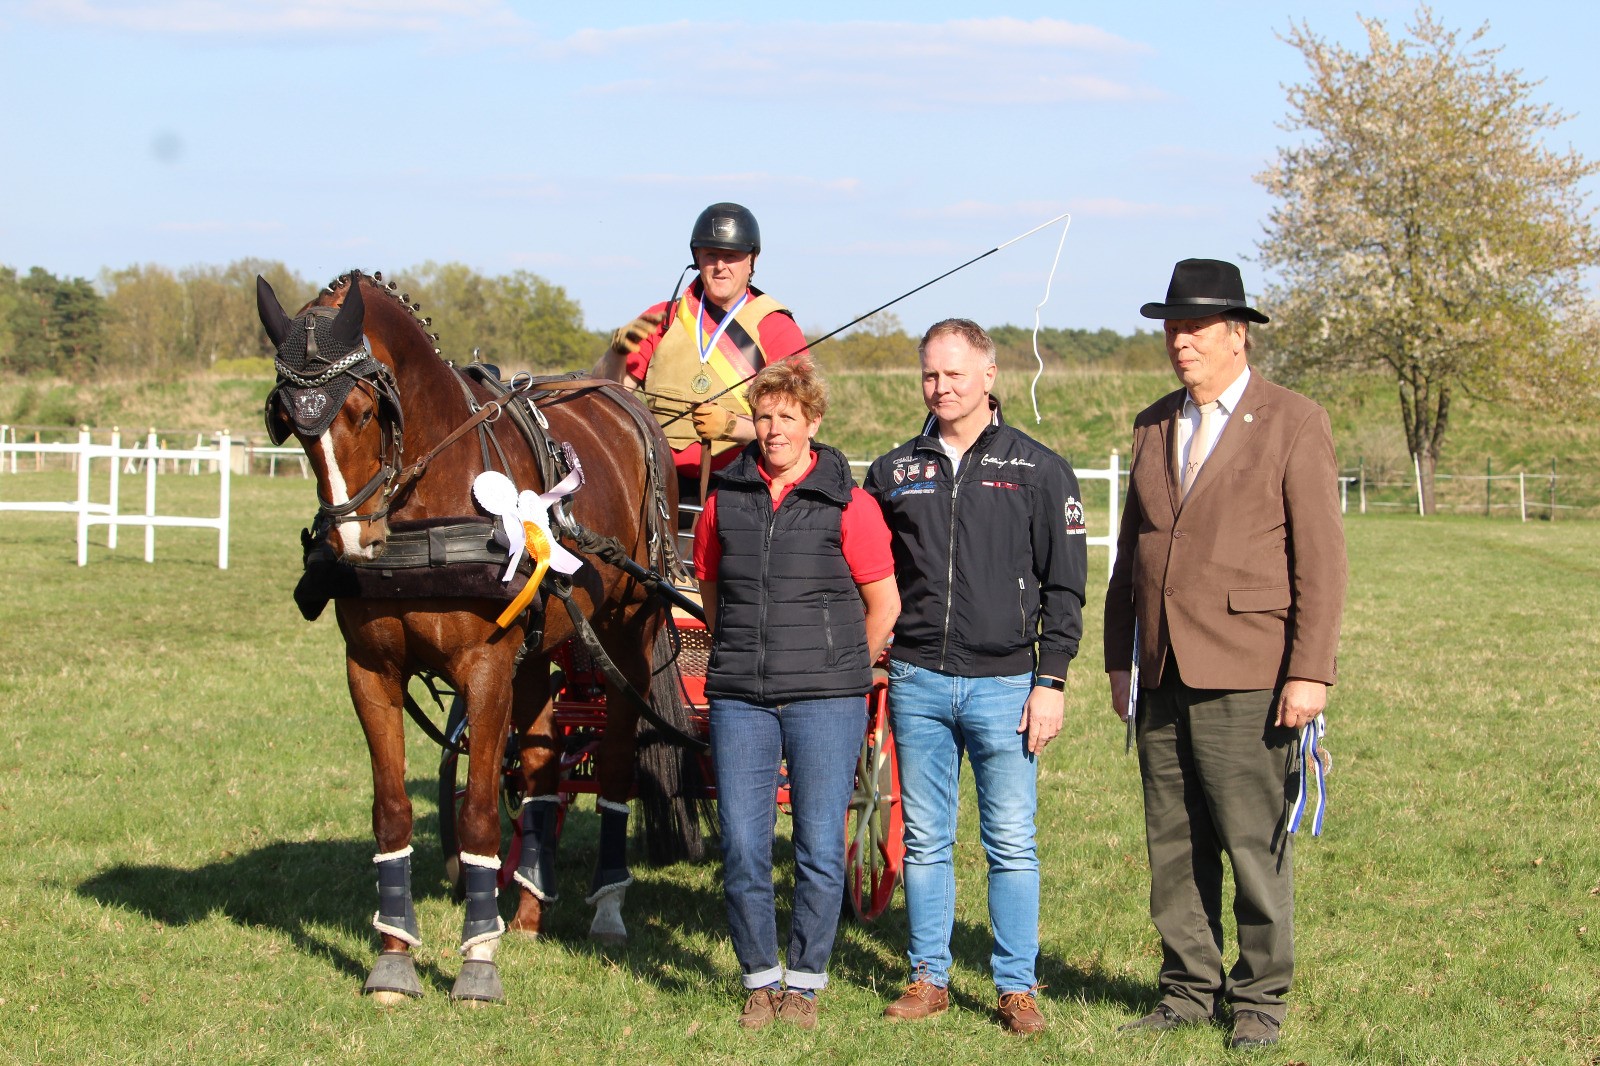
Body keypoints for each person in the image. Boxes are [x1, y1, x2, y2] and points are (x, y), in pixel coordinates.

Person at [1104, 258, 1347, 1051]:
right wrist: (1120, 661)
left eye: (1197, 328)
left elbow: (1322, 557)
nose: (1181, 342)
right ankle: (1185, 990)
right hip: (1162, 671)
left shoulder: (1293, 421)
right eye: (1173, 328)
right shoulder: (1152, 423)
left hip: (1252, 672)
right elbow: (1130, 557)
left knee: (1250, 841)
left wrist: (1309, 670)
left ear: (1238, 335)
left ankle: (1259, 1001)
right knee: (1172, 842)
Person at [863, 319, 1087, 1035]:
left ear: (988, 376)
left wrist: (1049, 681)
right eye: (931, 374)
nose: (942, 387)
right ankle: (929, 977)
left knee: (1011, 841)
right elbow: (870, 576)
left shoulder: (1039, 469)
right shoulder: (894, 472)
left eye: (956, 374)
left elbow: (1066, 587)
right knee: (926, 839)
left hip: (1007, 687)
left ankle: (1015, 986)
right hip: (918, 681)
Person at [694, 358, 899, 1031]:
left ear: (813, 423)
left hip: (826, 700)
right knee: (745, 846)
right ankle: (759, 979)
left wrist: (844, 669)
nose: (774, 429)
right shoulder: (726, 497)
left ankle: (804, 984)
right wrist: (740, 653)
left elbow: (883, 603)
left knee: (816, 846)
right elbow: (711, 588)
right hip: (742, 699)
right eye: (764, 416)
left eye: (787, 417)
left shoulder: (850, 503)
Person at [596, 202, 810, 501]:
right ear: (697, 257)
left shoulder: (776, 328)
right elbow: (608, 400)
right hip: (656, 484)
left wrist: (732, 426)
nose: (720, 266)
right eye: (711, 255)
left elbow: (800, 429)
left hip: (744, 487)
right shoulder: (663, 318)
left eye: (731, 256)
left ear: (752, 260)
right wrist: (616, 354)